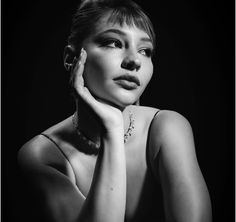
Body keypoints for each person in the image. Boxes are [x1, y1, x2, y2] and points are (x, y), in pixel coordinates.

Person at [17, 0, 212, 221]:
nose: (134, 61)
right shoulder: (40, 156)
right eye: (113, 43)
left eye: (145, 50)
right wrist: (112, 128)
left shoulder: (167, 127)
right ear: (71, 58)